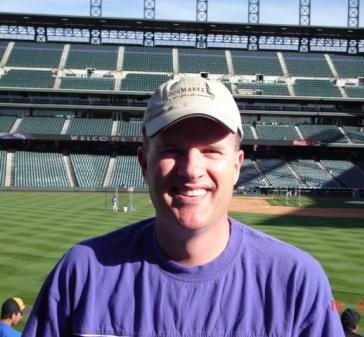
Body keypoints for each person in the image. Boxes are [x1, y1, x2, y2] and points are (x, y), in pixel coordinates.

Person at [23, 77, 345, 337]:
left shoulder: (298, 280)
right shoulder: (82, 273)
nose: (191, 170)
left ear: (237, 166)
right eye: (172, 149)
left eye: (211, 151)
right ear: (144, 164)